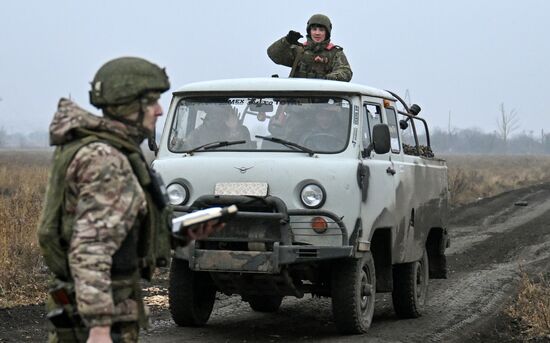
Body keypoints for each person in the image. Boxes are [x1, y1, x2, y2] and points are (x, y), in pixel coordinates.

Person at [37, 57, 222, 343]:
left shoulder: (108, 151)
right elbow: (91, 247)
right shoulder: (106, 160)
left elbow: (122, 234)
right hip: (99, 314)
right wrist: (99, 328)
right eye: (151, 102)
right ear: (128, 105)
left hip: (90, 305)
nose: (160, 111)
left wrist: (177, 233)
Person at [267, 14, 353, 82]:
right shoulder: (299, 50)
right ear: (309, 31)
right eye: (314, 29)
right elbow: (274, 55)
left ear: (326, 33)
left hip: (324, 101)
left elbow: (346, 73)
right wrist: (286, 41)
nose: (317, 33)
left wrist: (326, 79)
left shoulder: (335, 53)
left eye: (321, 30)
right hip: (295, 100)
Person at [182, 104, 252, 149]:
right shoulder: (200, 131)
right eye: (214, 114)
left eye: (223, 115)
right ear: (208, 116)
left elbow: (241, 151)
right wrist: (178, 143)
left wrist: (233, 129)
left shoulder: (242, 131)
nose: (217, 118)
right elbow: (186, 147)